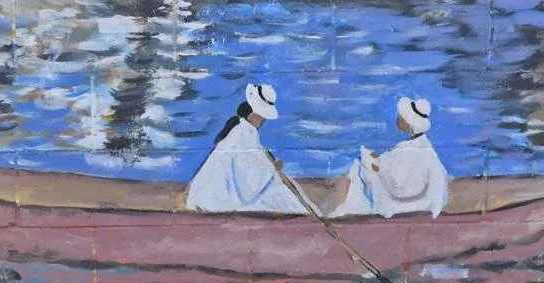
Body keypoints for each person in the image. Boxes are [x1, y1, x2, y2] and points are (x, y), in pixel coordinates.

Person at [185, 83, 306, 214]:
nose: (263, 121)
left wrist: (271, 166)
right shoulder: (241, 133)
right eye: (262, 117)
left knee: (279, 193)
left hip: (220, 194)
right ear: (252, 116)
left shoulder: (245, 131)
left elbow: (254, 160)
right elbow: (246, 176)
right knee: (279, 196)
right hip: (221, 197)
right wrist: (272, 169)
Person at [328, 97, 448, 219]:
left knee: (358, 166)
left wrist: (376, 164)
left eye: (401, 116)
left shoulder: (409, 149)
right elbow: (396, 163)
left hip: (403, 203)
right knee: (365, 162)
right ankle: (343, 206)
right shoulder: (425, 148)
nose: (398, 119)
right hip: (421, 201)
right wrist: (379, 161)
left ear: (409, 122)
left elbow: (397, 182)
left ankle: (346, 208)